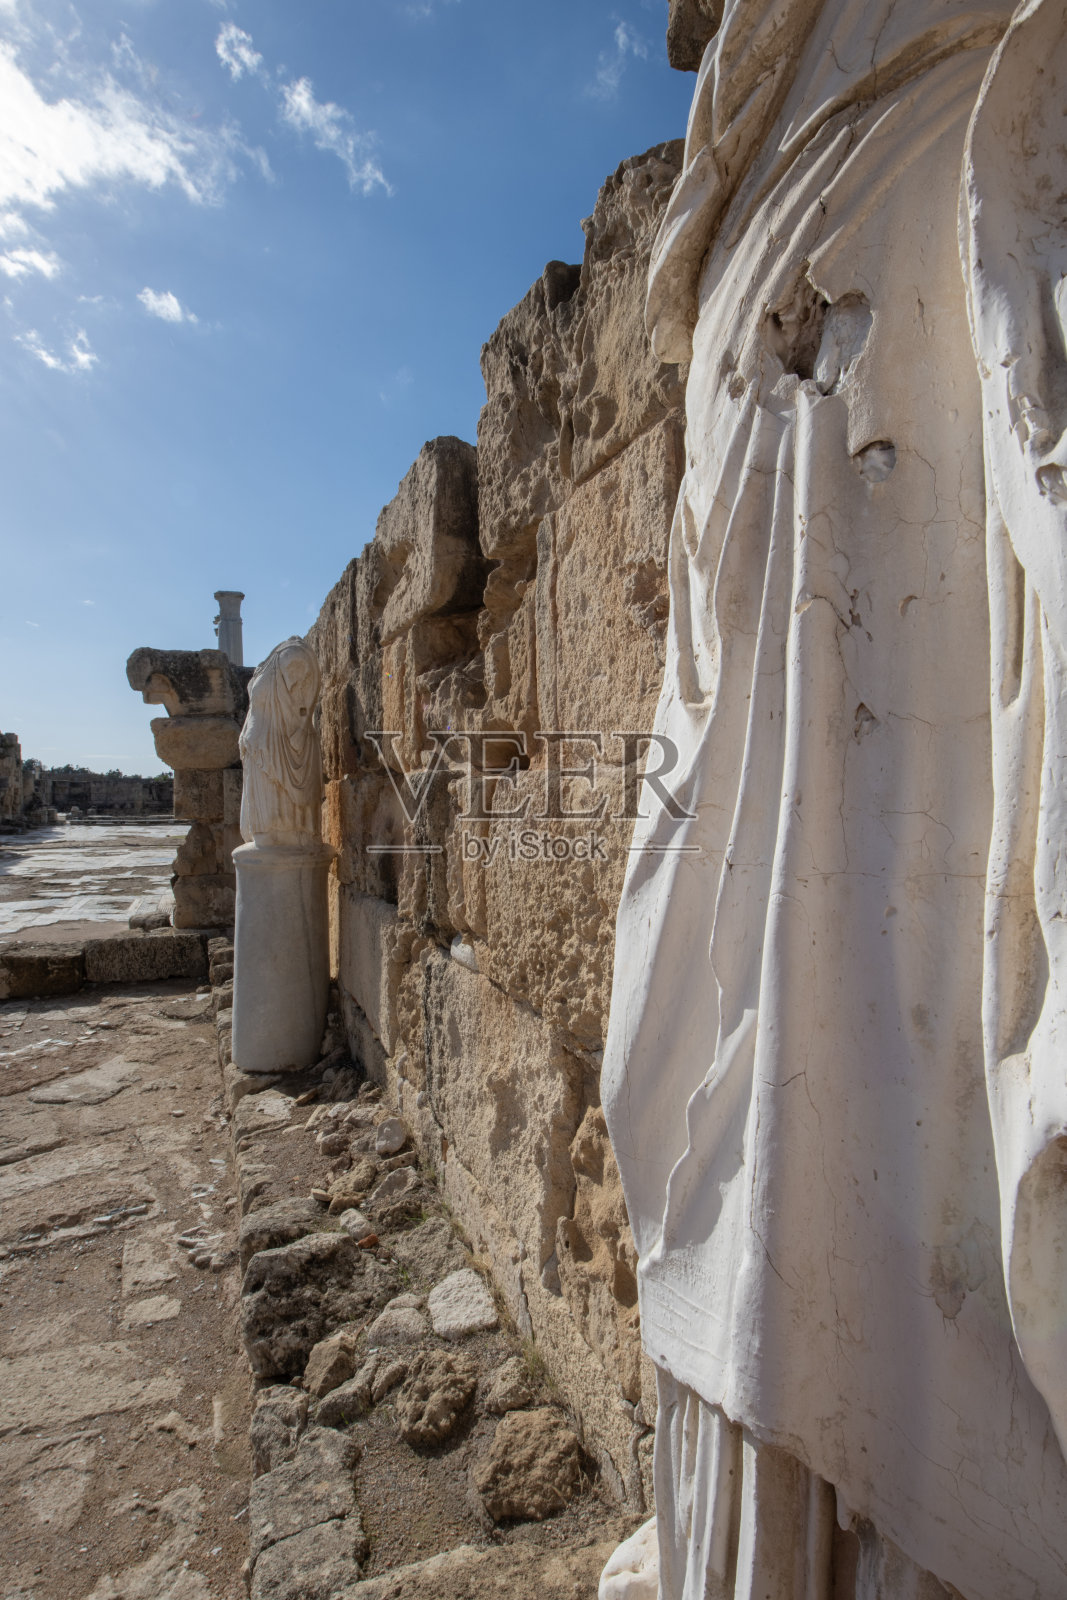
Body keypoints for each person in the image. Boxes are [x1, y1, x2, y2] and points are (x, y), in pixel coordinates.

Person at [600, 2, 1067, 1596]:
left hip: (923, 351)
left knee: (899, 1080)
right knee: (723, 1069)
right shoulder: (739, 137)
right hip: (769, 444)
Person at [238, 637, 323, 849]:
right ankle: (271, 833)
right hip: (260, 746)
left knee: (280, 821)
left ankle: (285, 833)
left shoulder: (291, 657)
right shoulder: (269, 669)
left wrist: (300, 728)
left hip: (277, 744)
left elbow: (304, 707)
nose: (297, 684)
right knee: (265, 823)